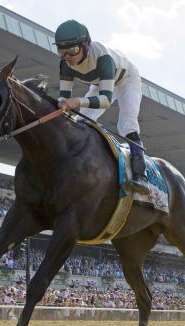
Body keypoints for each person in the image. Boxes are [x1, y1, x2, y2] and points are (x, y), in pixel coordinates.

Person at [54, 19, 150, 195]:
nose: (67, 57)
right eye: (61, 51)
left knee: (126, 124)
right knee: (81, 120)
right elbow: (63, 98)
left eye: (72, 50)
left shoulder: (103, 59)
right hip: (102, 82)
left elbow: (105, 100)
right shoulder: (65, 64)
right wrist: (61, 105)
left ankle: (140, 175)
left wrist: (75, 102)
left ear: (86, 46)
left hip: (127, 79)